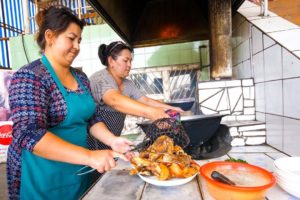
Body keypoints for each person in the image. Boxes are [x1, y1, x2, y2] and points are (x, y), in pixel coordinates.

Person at [7, 6, 132, 200]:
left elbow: (91, 118)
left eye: (79, 40)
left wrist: (112, 140)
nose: (77, 46)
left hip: (78, 171)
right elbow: (29, 134)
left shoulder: (80, 77)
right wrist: (90, 156)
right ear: (50, 36)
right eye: (71, 38)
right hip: (44, 179)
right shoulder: (30, 77)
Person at [88, 41, 183, 150]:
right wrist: (152, 113)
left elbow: (145, 101)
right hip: (91, 143)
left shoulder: (128, 84)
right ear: (111, 61)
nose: (129, 65)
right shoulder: (100, 79)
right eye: (125, 60)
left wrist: (171, 108)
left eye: (130, 61)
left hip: (112, 142)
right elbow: (115, 100)